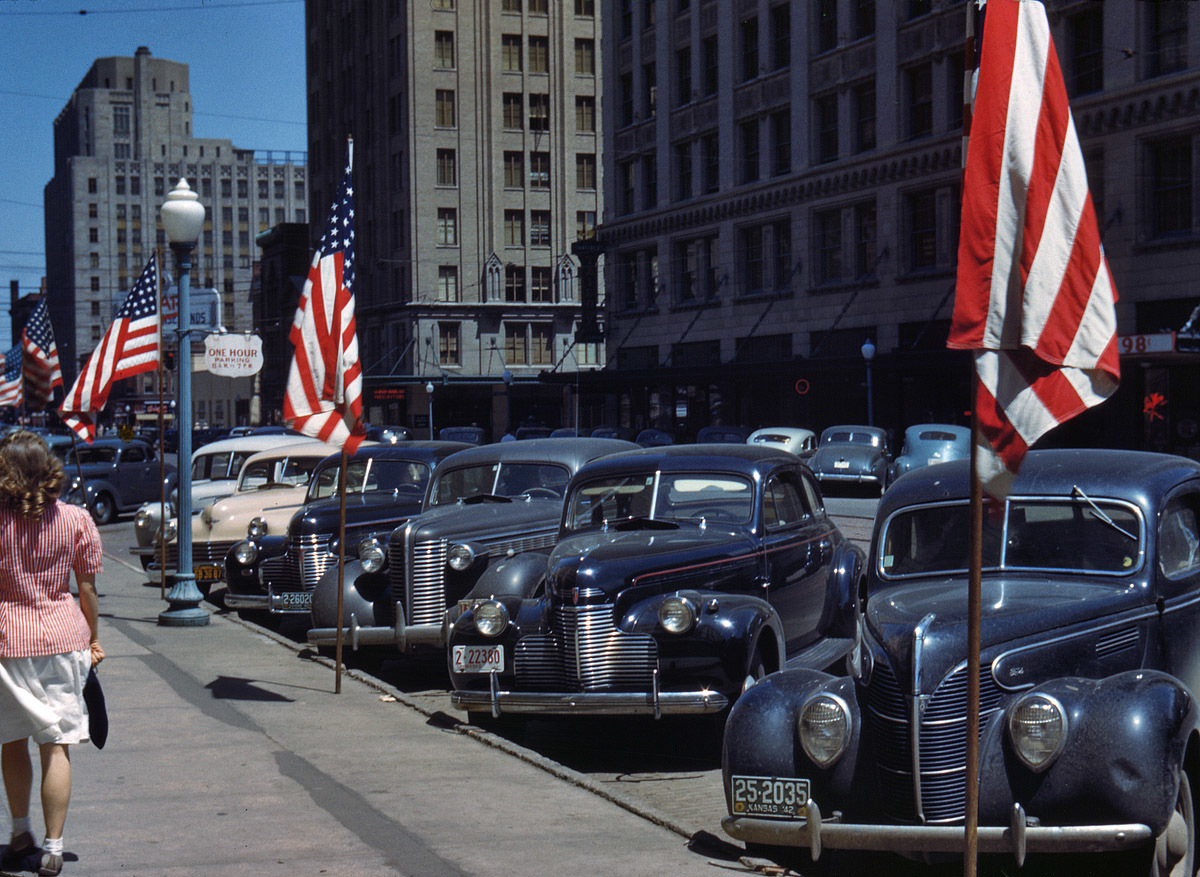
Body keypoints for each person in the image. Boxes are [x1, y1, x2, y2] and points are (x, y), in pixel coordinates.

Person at [0, 430, 103, 877]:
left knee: (11, 739)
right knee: (56, 744)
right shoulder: (75, 520)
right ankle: (53, 848)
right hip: (64, 638)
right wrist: (93, 638)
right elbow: (86, 589)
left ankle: (19, 830)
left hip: (7, 641)